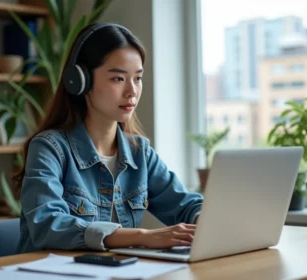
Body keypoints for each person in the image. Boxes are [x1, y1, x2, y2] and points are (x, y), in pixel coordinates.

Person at [13, 22, 203, 254]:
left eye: (138, 78)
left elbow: (185, 204)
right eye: (118, 79)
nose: (132, 91)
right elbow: (48, 225)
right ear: (80, 80)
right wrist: (143, 237)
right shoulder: (49, 148)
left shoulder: (139, 152)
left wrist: (204, 218)